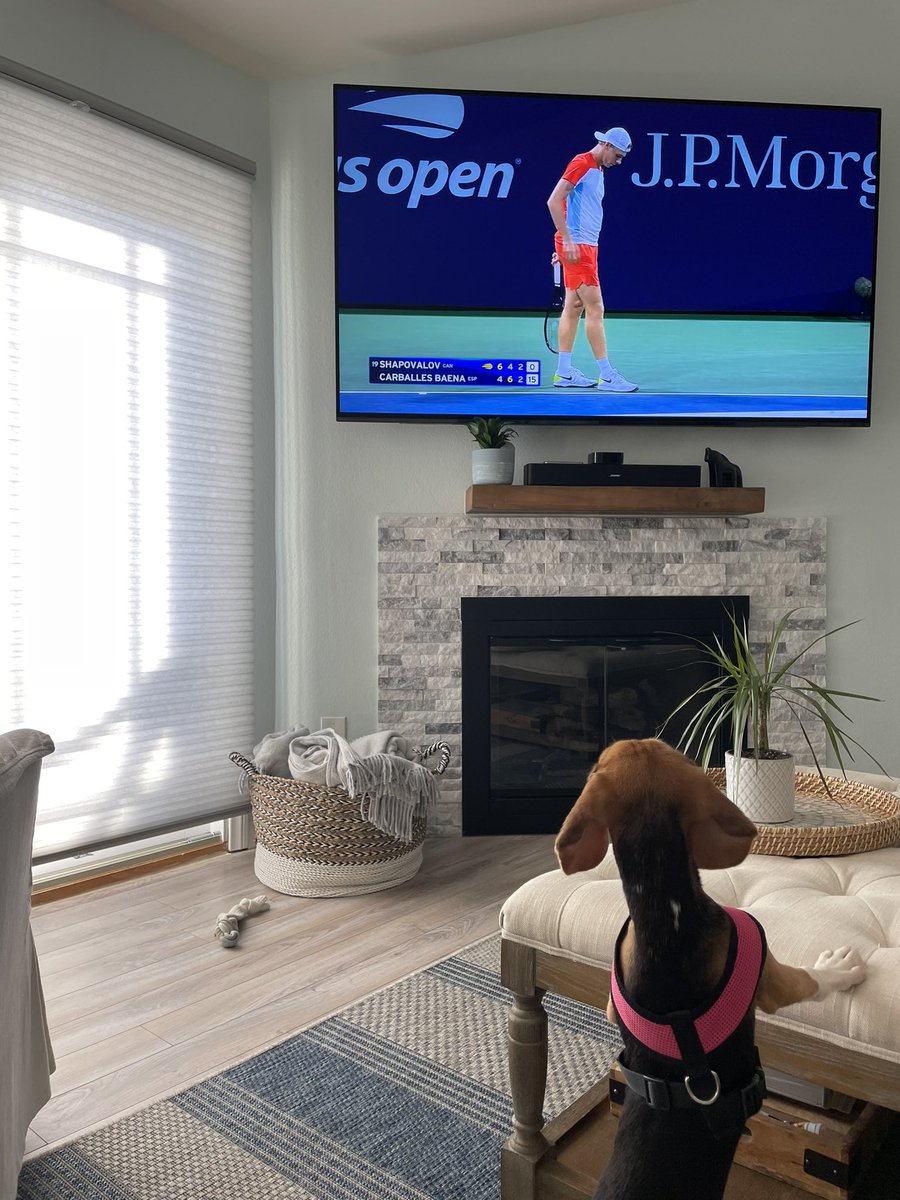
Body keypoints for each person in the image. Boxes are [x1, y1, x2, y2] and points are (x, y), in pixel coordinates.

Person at [546, 127, 638, 392]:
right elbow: (554, 201)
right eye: (618, 156)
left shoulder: (597, 170)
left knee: (574, 307)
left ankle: (563, 372)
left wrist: (563, 243)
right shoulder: (581, 162)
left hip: (584, 246)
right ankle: (607, 376)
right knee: (595, 309)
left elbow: (573, 207)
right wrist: (567, 240)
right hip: (580, 247)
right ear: (607, 145)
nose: (619, 162)